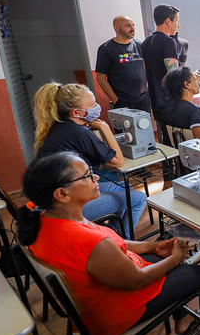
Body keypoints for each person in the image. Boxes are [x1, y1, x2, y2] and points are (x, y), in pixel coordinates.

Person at [18, 152, 200, 335]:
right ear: (62, 194)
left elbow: (114, 242)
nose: (96, 177)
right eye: (87, 176)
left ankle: (181, 320)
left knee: (160, 249)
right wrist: (176, 259)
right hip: (116, 313)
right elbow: (137, 280)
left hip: (97, 301)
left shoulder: (47, 221)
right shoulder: (88, 241)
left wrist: (153, 247)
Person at [33, 82, 146, 238]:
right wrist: (104, 127)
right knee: (139, 198)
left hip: (53, 198)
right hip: (64, 207)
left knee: (123, 187)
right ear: (77, 112)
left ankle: (113, 234)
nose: (97, 107)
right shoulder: (79, 133)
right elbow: (117, 161)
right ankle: (123, 240)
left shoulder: (63, 127)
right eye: (92, 104)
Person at [95, 15, 150, 112]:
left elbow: (145, 67)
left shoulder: (139, 44)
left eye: (133, 25)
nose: (132, 28)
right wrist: (115, 99)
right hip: (123, 101)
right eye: (128, 25)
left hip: (143, 99)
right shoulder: (106, 49)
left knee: (145, 126)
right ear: (116, 28)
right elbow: (100, 77)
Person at [141, 4, 181, 118]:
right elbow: (174, 75)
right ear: (168, 21)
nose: (178, 26)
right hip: (169, 101)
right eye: (176, 21)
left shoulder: (146, 41)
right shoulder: (168, 42)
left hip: (155, 99)